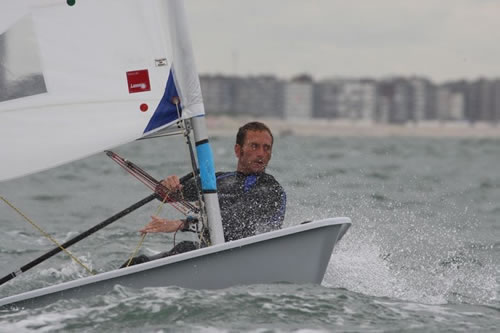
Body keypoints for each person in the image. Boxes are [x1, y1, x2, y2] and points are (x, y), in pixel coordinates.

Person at [122, 122, 286, 267]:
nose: (261, 154)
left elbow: (236, 221)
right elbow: (165, 197)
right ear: (238, 150)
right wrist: (167, 187)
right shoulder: (219, 179)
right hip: (205, 254)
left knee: (185, 249)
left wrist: (183, 224)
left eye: (267, 148)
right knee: (139, 262)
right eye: (254, 146)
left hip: (241, 259)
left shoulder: (272, 190)